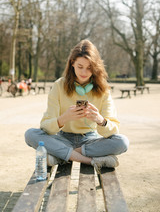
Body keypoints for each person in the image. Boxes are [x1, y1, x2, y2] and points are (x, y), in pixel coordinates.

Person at [25, 39, 129, 172]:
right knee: (30, 134)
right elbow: (46, 127)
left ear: (95, 67)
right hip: (63, 138)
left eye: (89, 68)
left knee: (122, 142)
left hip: (90, 140)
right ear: (72, 63)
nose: (84, 72)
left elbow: (114, 131)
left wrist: (100, 120)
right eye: (80, 67)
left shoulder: (104, 90)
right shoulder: (59, 86)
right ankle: (90, 160)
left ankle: (61, 156)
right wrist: (63, 119)